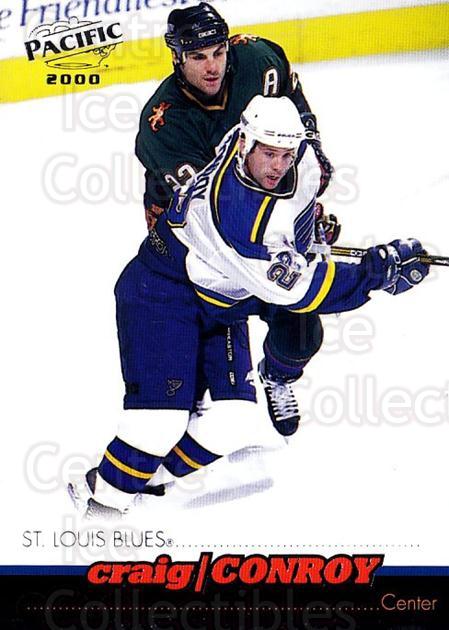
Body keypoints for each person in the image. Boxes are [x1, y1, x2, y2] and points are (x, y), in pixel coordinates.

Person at [73, 96, 428, 518]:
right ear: (246, 145)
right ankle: (102, 510)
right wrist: (378, 273)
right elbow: (301, 292)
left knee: (235, 420)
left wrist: (310, 230)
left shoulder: (280, 151)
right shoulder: (239, 217)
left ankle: (135, 479)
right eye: (269, 154)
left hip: (222, 295)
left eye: (286, 154)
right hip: (162, 292)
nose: (278, 166)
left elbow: (297, 199)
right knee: (158, 424)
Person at [134, 2, 336, 436]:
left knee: (302, 327)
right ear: (177, 58)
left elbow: (294, 107)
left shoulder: (259, 61)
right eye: (198, 56)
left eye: (218, 52)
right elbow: (213, 213)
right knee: (204, 322)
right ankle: (184, 404)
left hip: (256, 211)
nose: (212, 66)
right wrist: (290, 227)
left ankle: (277, 376)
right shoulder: (163, 124)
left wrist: (309, 166)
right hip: (186, 230)